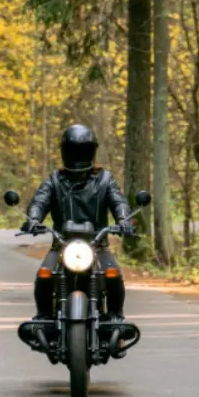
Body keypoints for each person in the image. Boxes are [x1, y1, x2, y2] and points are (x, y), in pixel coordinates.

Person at [22, 124, 134, 352]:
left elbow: (118, 201)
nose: (78, 156)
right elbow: (40, 200)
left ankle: (116, 319)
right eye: (73, 151)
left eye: (82, 151)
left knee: (113, 274)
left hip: (97, 245)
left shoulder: (105, 179)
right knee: (44, 275)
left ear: (91, 152)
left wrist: (124, 219)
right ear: (65, 152)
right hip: (62, 245)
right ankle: (43, 318)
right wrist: (33, 218)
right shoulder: (55, 180)